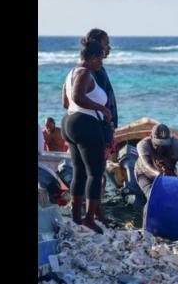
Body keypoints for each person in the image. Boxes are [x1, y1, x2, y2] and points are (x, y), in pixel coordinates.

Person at [61, 40, 112, 234]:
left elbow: (65, 102)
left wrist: (80, 113)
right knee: (95, 173)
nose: (102, 63)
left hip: (70, 122)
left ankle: (76, 219)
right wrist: (102, 109)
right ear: (93, 57)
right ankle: (89, 219)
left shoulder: (70, 73)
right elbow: (77, 97)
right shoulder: (84, 72)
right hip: (85, 125)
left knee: (80, 172)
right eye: (101, 58)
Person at [134, 123, 178, 228]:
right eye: (158, 144)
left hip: (168, 174)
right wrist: (159, 174)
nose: (161, 148)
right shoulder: (143, 144)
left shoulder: (177, 144)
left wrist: (171, 173)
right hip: (144, 174)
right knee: (153, 197)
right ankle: (146, 229)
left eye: (164, 145)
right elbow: (147, 166)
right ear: (151, 137)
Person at [82, 29, 118, 131]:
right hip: (99, 126)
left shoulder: (99, 69)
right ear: (96, 44)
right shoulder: (92, 71)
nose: (109, 48)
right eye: (106, 44)